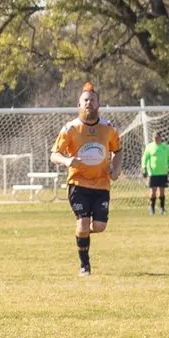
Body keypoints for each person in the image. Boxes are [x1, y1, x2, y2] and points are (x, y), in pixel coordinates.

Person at [51, 83, 121, 276]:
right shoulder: (70, 129)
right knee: (83, 222)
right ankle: (85, 266)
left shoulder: (108, 129)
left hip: (101, 184)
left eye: (92, 100)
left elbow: (117, 150)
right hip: (78, 183)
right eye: (85, 100)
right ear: (79, 104)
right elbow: (54, 155)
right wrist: (67, 161)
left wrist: (115, 169)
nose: (89, 103)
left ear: (98, 104)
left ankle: (81, 233)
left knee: (99, 227)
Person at [141, 131, 169, 216]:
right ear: (153, 138)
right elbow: (145, 158)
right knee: (153, 191)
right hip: (153, 173)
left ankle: (162, 208)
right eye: (154, 138)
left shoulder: (165, 147)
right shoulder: (149, 147)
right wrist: (144, 168)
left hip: (163, 172)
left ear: (160, 138)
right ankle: (152, 208)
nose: (156, 139)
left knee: (162, 191)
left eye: (157, 137)